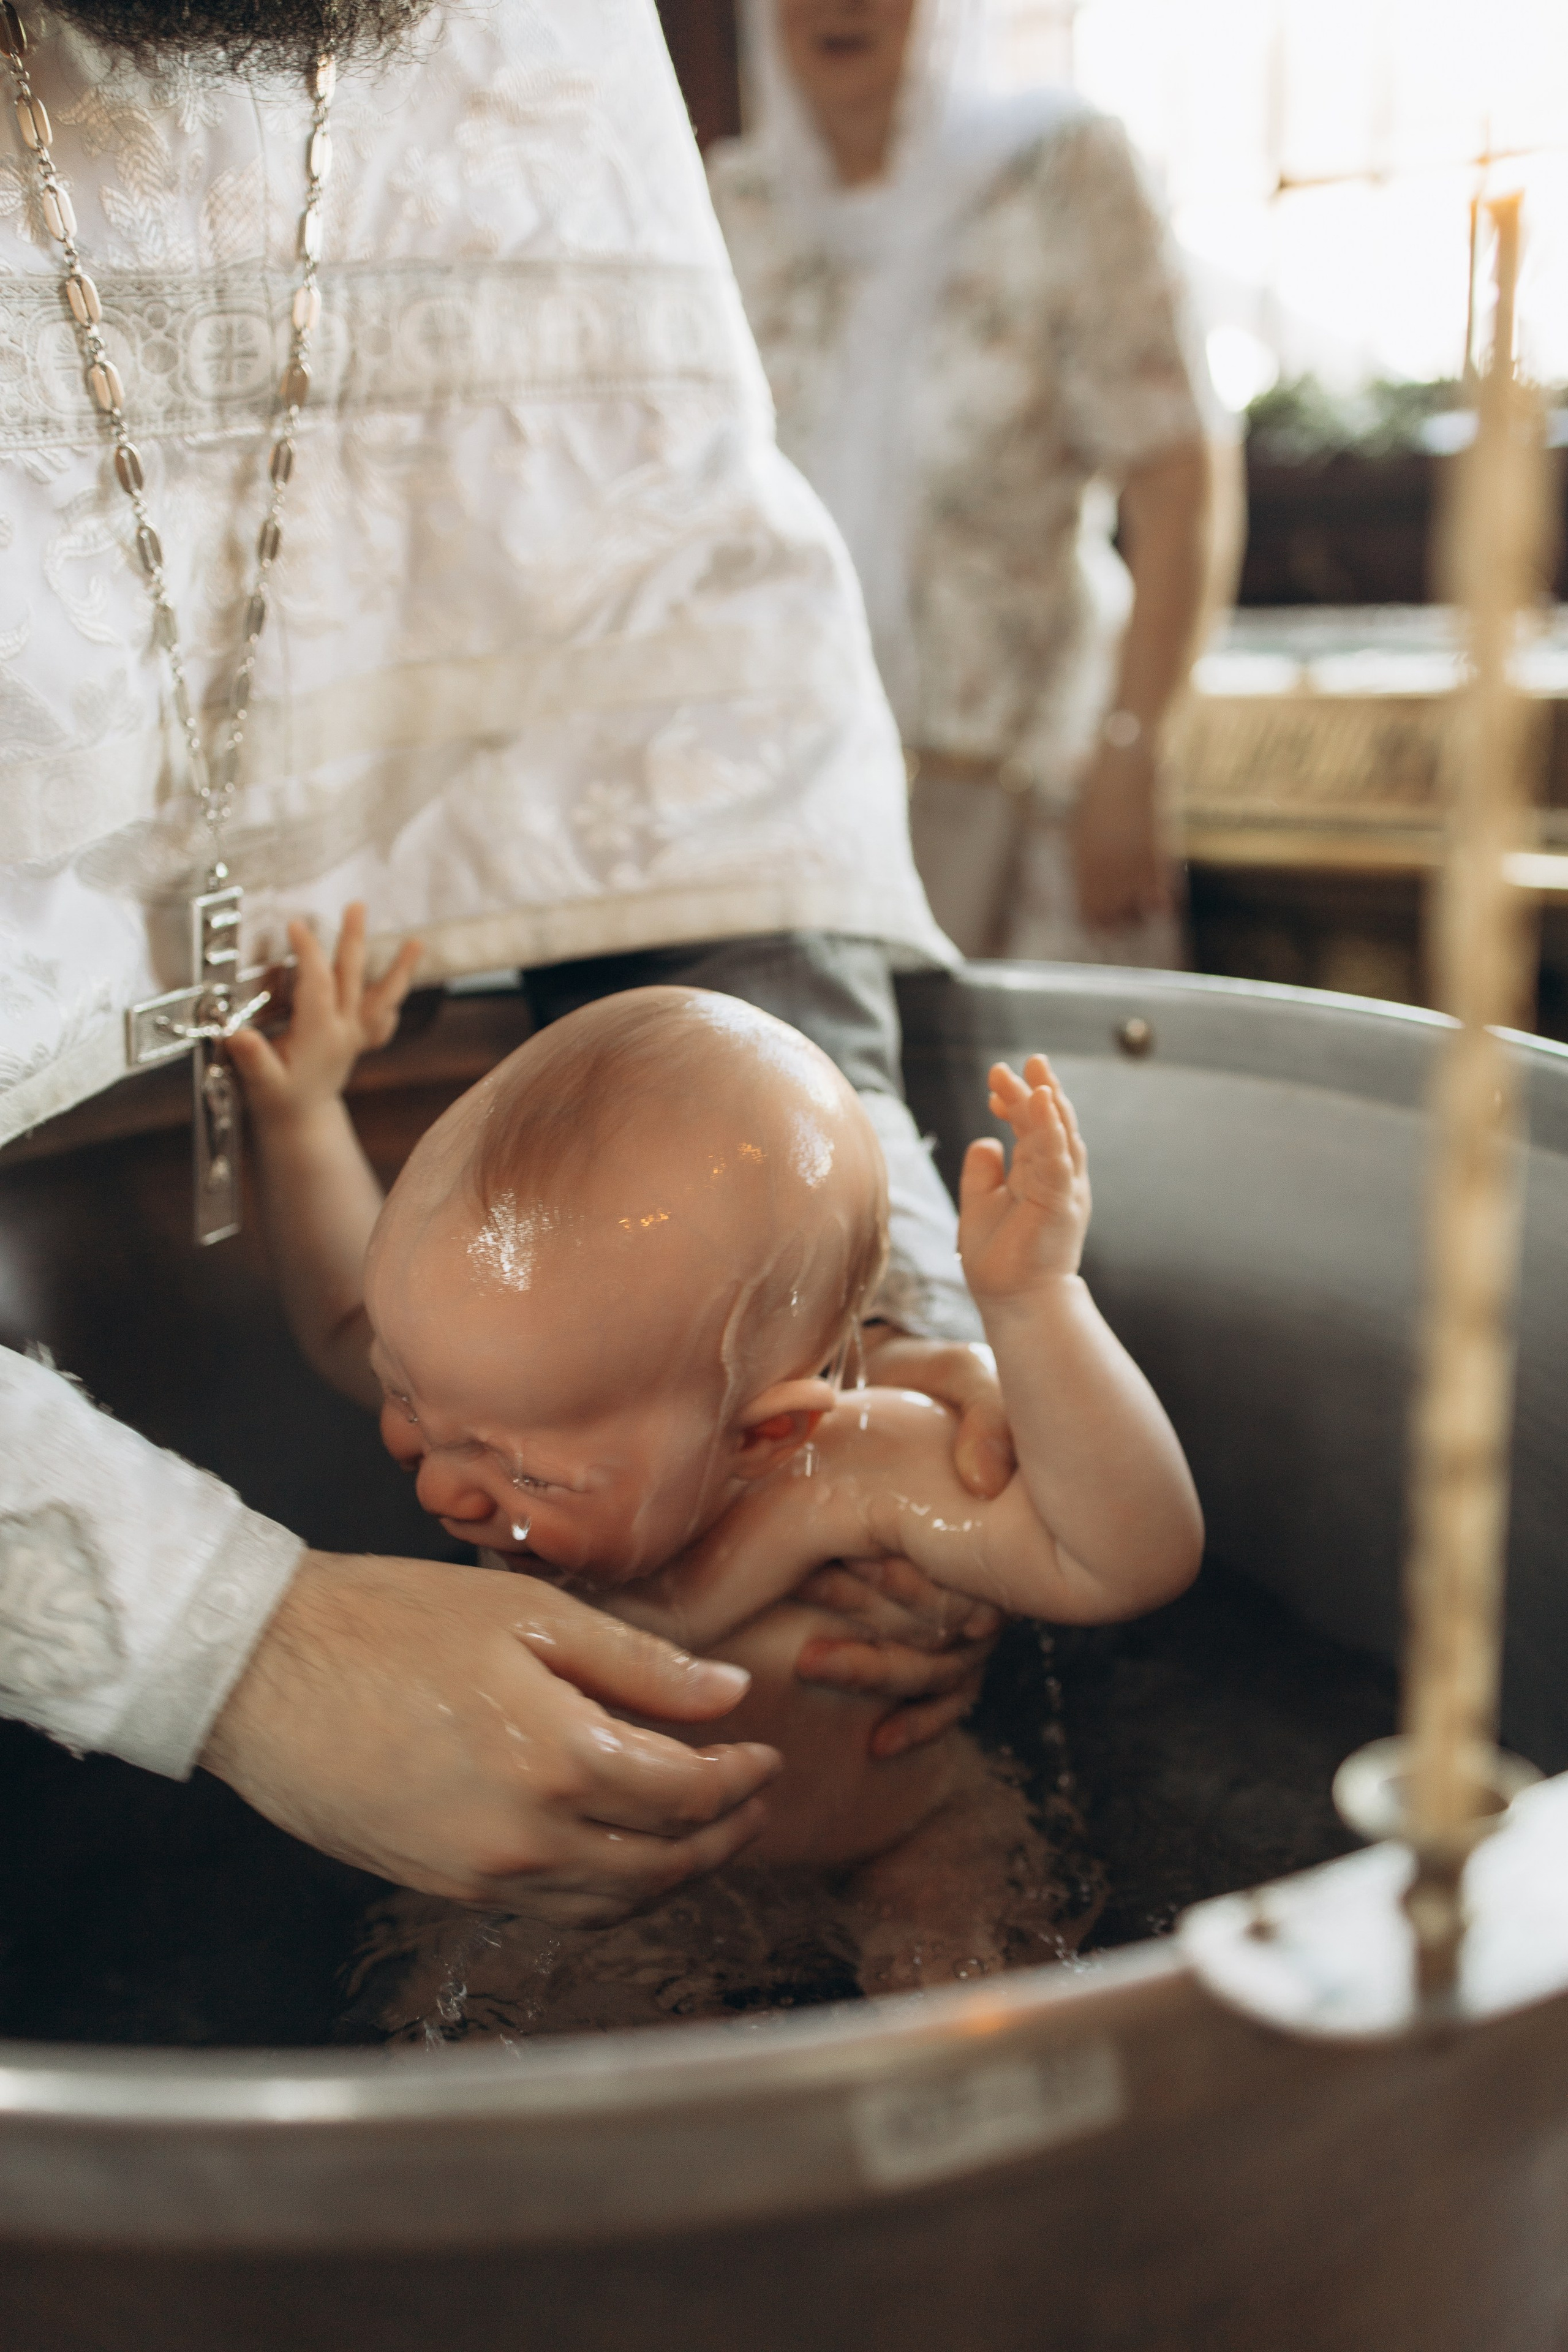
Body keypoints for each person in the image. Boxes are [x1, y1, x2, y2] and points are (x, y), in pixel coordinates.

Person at [0, 0, 1014, 1926]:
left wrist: (938, 1337)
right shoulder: (494, 1442)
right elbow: (365, 1338)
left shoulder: (814, 1454)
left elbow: (679, 699)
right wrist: (240, 1649)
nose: (435, 1468)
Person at [227, 914, 1199, 2008]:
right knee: (478, 2011)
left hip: (894, 1836)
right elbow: (340, 1319)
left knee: (961, 1984)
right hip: (610, 1862)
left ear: (762, 1434)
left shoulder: (850, 1467)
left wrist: (1033, 1309)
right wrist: (302, 1111)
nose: (440, 1481)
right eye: (408, 1402)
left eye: (527, 1474)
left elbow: (1126, 1560)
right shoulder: (493, 1383)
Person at [707, 0, 1244, 962]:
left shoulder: (1060, 169)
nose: (840, 7)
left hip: (1028, 780)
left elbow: (1177, 479)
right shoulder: (729, 211)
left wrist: (1132, 758)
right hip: (802, 800)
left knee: (1026, 1103)